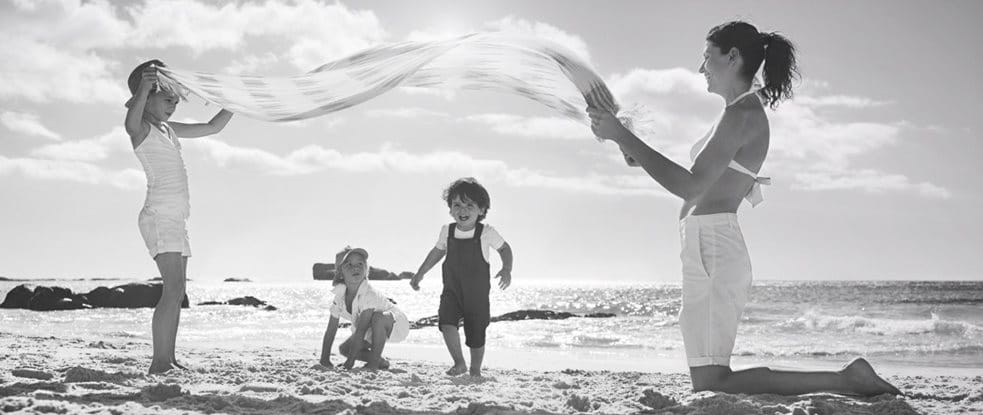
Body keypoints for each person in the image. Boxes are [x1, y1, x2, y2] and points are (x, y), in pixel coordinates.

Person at [587, 21, 901, 396]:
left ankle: (848, 380)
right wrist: (626, 141)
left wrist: (622, 135)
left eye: (707, 57)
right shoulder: (736, 111)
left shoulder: (742, 116)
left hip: (714, 249)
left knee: (713, 382)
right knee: (710, 381)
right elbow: (696, 179)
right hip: (709, 247)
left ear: (732, 56)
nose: (701, 67)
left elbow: (689, 186)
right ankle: (847, 379)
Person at [123, 59, 234, 374]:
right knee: (171, 290)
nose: (173, 105)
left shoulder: (169, 130)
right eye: (167, 98)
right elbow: (131, 121)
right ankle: (159, 362)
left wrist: (235, 105)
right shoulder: (141, 128)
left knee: (177, 291)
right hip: (159, 216)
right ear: (148, 95)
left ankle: (168, 359)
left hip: (176, 219)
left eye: (175, 100)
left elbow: (212, 127)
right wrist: (145, 87)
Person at [410, 178, 513, 377]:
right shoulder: (447, 231)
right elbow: (437, 253)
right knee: (446, 322)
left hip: (477, 295)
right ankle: (459, 363)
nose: (462, 210)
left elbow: (505, 248)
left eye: (469, 205)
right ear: (450, 209)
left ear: (481, 210)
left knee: (476, 333)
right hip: (452, 290)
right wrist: (420, 273)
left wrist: (507, 268)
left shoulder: (486, 232)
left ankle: (475, 369)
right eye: (457, 205)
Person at [319, 247, 410, 370]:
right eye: (349, 264)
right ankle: (379, 362)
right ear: (340, 272)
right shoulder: (340, 294)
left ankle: (372, 365)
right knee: (345, 349)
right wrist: (324, 360)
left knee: (377, 318)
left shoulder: (369, 294)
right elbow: (331, 329)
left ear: (366, 269)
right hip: (371, 327)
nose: (355, 268)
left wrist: (349, 364)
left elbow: (361, 331)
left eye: (360, 264)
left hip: (396, 323)